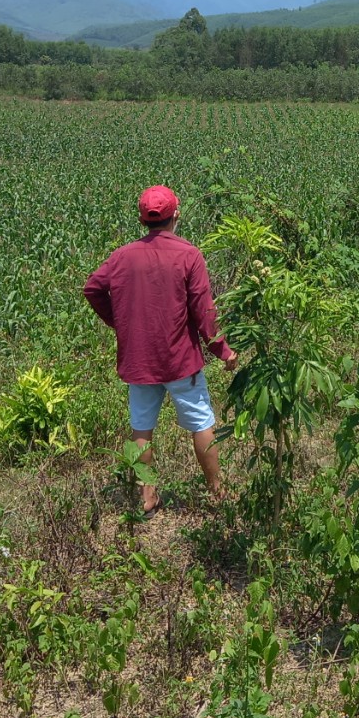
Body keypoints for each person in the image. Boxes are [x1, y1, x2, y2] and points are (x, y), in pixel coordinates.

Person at [83, 184, 237, 514]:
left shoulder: (123, 256)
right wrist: (223, 350)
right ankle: (218, 493)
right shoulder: (189, 255)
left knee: (141, 428)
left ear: (142, 219)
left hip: (138, 360)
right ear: (176, 215)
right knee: (201, 423)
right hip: (180, 358)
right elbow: (204, 313)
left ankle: (147, 498)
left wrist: (119, 322)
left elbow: (93, 288)